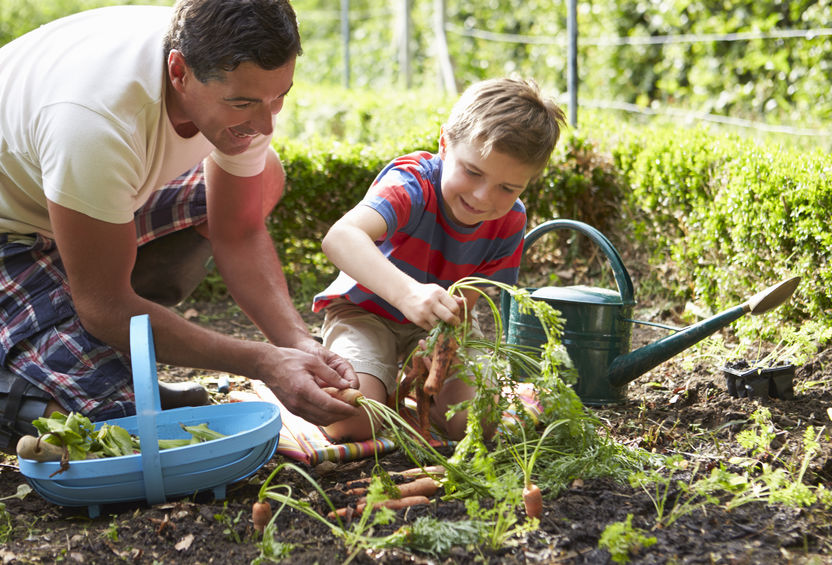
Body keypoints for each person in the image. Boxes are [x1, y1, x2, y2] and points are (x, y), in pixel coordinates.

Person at [0, 0, 359, 454]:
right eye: (243, 102)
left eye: (279, 96)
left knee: (264, 175)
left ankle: (106, 342)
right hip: (13, 228)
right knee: (118, 427)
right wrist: (264, 362)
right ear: (179, 72)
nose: (266, 121)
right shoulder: (96, 123)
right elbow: (104, 305)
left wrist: (296, 343)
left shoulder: (241, 82)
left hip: (79, 198)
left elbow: (239, 231)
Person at [312, 78, 566, 442]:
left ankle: (401, 389)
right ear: (444, 144)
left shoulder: (511, 222)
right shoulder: (411, 183)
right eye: (473, 172)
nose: (482, 197)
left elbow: (467, 303)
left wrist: (441, 343)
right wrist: (407, 295)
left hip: (440, 325)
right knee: (350, 421)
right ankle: (374, 383)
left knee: (475, 425)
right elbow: (340, 238)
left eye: (508, 188)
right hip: (365, 312)